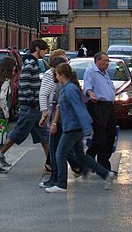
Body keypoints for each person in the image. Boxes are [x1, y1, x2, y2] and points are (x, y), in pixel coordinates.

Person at [45, 63, 116, 193]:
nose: (56, 76)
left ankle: (61, 184)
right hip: (74, 127)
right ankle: (106, 174)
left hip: (72, 127)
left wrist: (87, 128)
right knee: (81, 156)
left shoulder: (70, 89)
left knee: (60, 154)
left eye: (56, 74)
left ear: (61, 75)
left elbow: (79, 108)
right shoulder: (68, 87)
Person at [0, 39, 49, 164]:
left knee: (44, 135)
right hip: (30, 106)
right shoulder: (31, 63)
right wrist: (32, 100)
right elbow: (24, 84)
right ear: (37, 49)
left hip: (34, 106)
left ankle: (50, 161)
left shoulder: (32, 62)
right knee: (18, 133)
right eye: (44, 50)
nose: (46, 52)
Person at [38, 53, 83, 188]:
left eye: (53, 71)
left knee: (57, 151)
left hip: (60, 121)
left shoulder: (62, 85)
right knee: (58, 151)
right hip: (58, 120)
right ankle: (58, 177)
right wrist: (45, 115)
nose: (52, 74)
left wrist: (53, 122)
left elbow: (57, 105)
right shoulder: (62, 83)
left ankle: (58, 180)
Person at [83, 51, 116, 170]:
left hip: (109, 107)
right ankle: (103, 166)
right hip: (98, 106)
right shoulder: (91, 72)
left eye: (108, 61)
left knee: (110, 135)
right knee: (101, 137)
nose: (107, 63)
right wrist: (90, 94)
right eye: (104, 61)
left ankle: (89, 159)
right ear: (97, 61)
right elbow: (87, 86)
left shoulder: (105, 73)